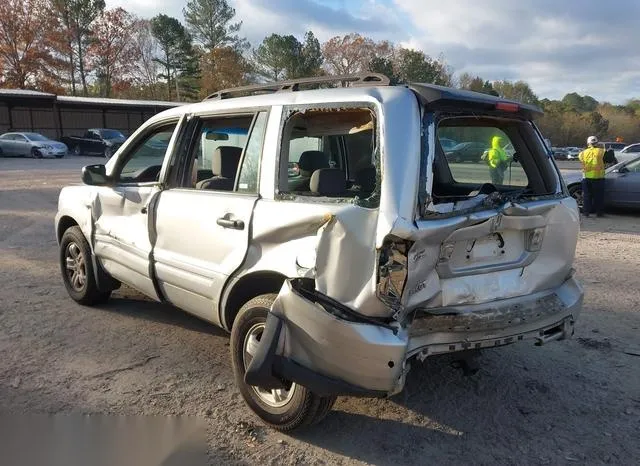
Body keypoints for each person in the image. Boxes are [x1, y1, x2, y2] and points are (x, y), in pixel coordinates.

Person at [578, 136, 606, 217]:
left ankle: (586, 213)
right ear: (597, 143)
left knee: (586, 196)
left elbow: (581, 160)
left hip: (586, 178)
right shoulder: (602, 151)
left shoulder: (582, 153)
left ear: (588, 143)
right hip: (598, 178)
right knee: (599, 197)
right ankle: (599, 213)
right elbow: (609, 159)